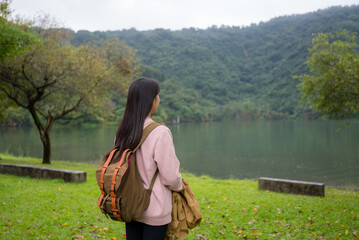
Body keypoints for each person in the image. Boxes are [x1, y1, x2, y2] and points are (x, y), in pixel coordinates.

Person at [114, 77, 183, 240]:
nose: (158, 99)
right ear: (150, 100)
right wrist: (180, 186)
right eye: (157, 95)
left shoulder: (122, 131)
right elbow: (171, 176)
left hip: (129, 203)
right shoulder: (160, 132)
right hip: (155, 208)